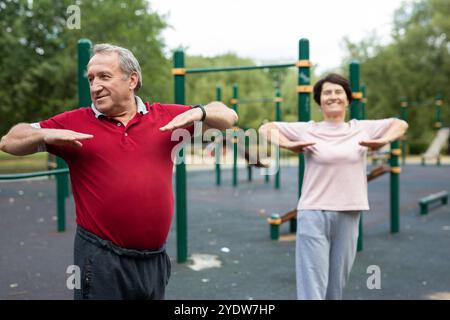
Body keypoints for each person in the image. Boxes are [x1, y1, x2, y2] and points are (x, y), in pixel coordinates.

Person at [0, 43, 238, 300]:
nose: (94, 86)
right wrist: (44, 133)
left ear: (132, 79)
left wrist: (200, 113)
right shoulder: (74, 122)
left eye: (104, 76)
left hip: (153, 260)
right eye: (91, 79)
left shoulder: (166, 117)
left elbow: (229, 115)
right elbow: (9, 142)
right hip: (101, 259)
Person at [259, 73, 408, 300]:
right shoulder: (308, 129)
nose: (333, 96)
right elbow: (265, 128)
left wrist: (382, 141)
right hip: (313, 211)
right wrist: (289, 145)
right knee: (312, 283)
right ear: (319, 102)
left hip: (349, 212)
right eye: (327, 93)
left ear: (348, 100)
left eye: (338, 92)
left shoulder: (362, 128)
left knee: (336, 286)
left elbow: (400, 124)